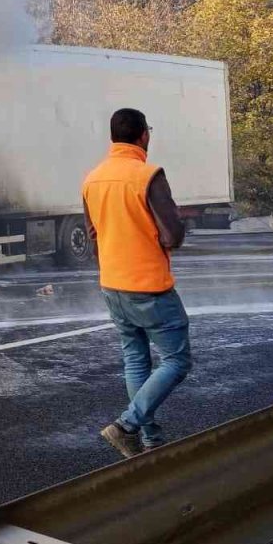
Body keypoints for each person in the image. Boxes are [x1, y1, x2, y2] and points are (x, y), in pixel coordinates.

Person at [82, 108, 191, 459]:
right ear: (144, 135)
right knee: (176, 360)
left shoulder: (92, 179)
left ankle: (150, 440)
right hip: (148, 284)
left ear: (113, 137)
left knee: (135, 360)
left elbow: (93, 233)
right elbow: (173, 235)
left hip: (112, 284)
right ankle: (127, 424)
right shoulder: (148, 175)